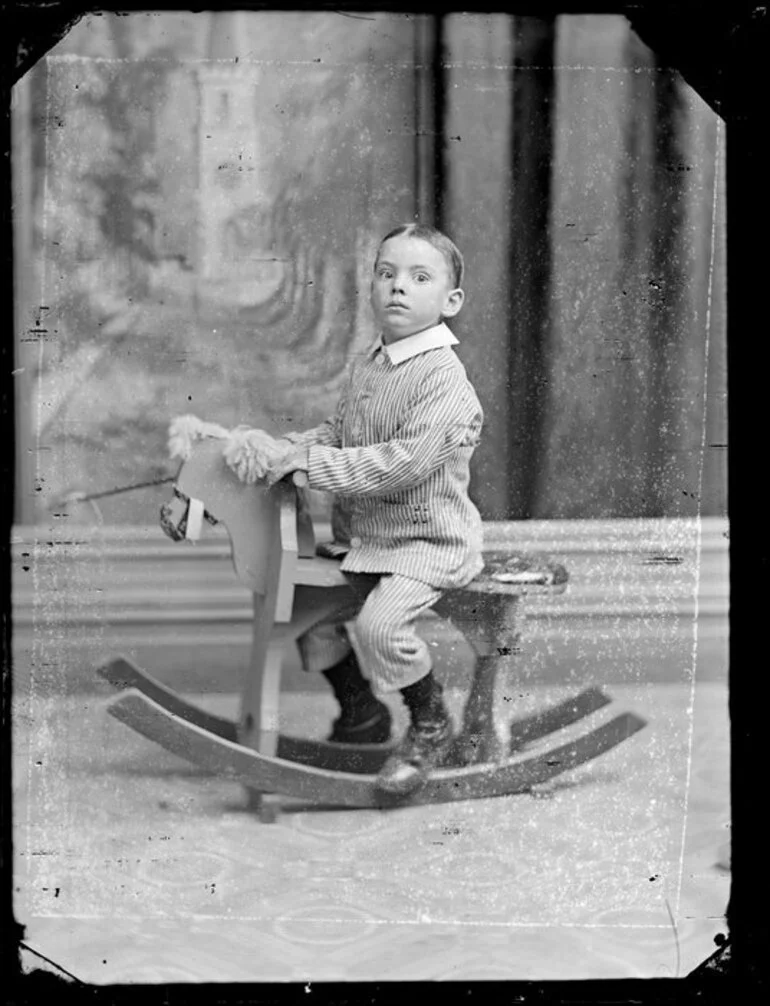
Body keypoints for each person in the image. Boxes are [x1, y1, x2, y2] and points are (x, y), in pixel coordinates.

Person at [225, 223, 484, 795]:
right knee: (307, 611)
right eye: (386, 273)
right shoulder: (372, 364)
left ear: (451, 300)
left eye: (419, 277)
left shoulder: (445, 382)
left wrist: (312, 466)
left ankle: (431, 723)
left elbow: (401, 464)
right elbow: (341, 434)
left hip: (426, 545)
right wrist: (290, 449)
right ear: (370, 286)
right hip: (367, 543)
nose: (398, 288)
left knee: (381, 624)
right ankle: (362, 713)